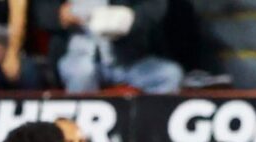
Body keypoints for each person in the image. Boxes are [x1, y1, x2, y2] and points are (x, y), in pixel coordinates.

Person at [32, 0, 183, 93]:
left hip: (126, 59)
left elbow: (156, 7)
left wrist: (129, 18)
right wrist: (59, 15)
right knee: (83, 72)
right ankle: (79, 135)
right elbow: (40, 11)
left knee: (169, 74)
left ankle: (151, 137)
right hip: (77, 55)